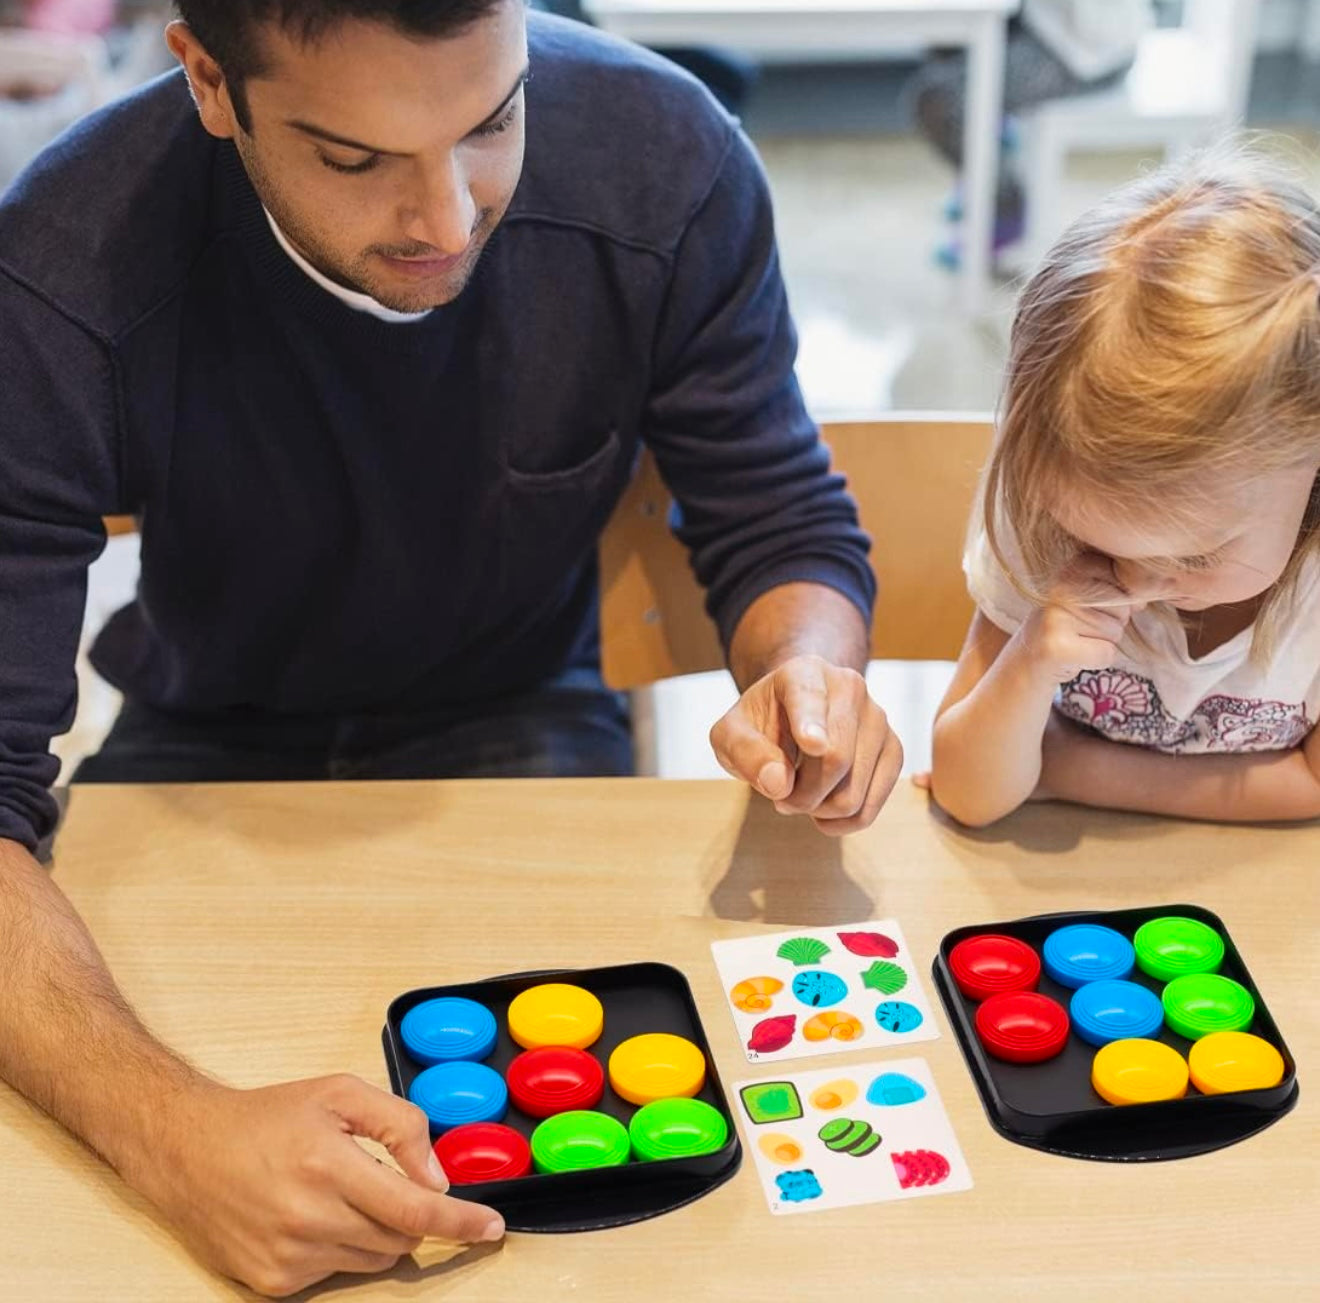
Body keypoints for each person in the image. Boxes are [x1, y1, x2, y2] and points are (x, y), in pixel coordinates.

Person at [0, 0, 904, 1294]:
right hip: (207, 730)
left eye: (492, 123)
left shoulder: (663, 160)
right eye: (353, 159)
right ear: (207, 80)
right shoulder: (60, 266)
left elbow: (778, 511)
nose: (449, 219)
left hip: (524, 707)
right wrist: (176, 1132)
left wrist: (808, 666)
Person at [928, 147, 1320, 829]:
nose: (1134, 579)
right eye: (1091, 539)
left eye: (1194, 556)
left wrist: (1065, 768)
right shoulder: (1043, 521)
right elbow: (966, 790)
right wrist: (1028, 663)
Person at [907, 0, 1152, 268]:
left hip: (1087, 51)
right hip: (1044, 26)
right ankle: (994, 156)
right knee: (948, 38)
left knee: (940, 99)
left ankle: (1005, 206)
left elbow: (1094, 25)